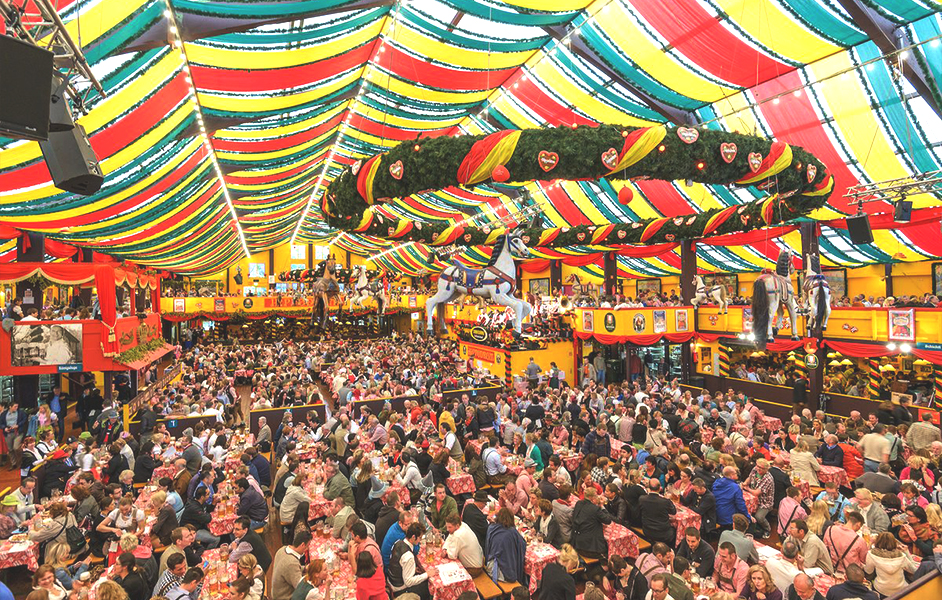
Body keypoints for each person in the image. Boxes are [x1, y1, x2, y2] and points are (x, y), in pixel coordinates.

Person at [864, 531, 917, 597]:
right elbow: (914, 570)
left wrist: (870, 543)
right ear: (894, 542)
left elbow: (868, 571)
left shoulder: (871, 555)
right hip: (901, 590)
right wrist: (907, 552)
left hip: (881, 589)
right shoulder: (901, 556)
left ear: (877, 542)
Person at [485, 508, 527, 585]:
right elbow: (522, 544)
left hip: (490, 565)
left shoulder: (491, 528)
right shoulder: (512, 532)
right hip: (501, 571)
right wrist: (519, 531)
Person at [388, 523, 428, 600]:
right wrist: (427, 574)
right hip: (399, 588)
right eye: (420, 537)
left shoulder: (398, 542)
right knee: (426, 586)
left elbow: (398, 564)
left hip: (391, 580)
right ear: (413, 537)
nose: (420, 540)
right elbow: (408, 582)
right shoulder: (408, 556)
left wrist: (412, 569)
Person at [570, 488, 612, 559]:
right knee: (607, 553)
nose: (597, 497)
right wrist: (602, 506)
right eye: (596, 496)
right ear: (591, 497)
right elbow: (608, 520)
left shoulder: (579, 503)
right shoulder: (595, 509)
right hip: (590, 548)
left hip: (577, 543)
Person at [272, 531, 311, 600]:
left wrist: (305, 568)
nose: (307, 548)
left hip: (276, 592)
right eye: (307, 546)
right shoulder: (291, 563)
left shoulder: (282, 549)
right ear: (302, 545)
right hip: (284, 597)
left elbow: (287, 570)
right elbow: (300, 587)